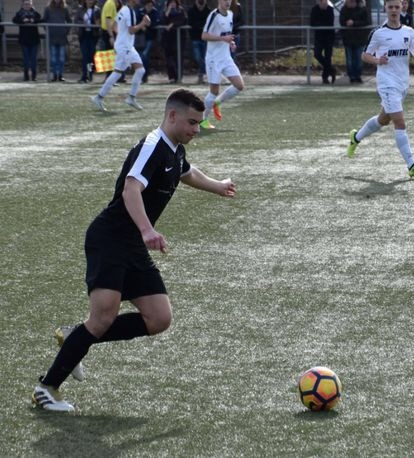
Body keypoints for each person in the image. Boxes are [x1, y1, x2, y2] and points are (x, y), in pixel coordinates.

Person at [31, 88, 237, 413]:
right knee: (103, 318)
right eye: (192, 122)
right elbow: (131, 188)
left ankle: (75, 337)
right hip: (110, 239)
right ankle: (46, 388)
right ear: (172, 116)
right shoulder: (152, 145)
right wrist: (147, 229)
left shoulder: (175, 149)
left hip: (132, 245)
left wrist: (217, 186)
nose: (196, 129)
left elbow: (187, 172)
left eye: (199, 123)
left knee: (159, 318)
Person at [346, 0, 414, 179]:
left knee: (383, 120)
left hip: (402, 84)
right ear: (385, 8)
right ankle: (412, 165)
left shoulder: (409, 32)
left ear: (402, 8)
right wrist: (378, 60)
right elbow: (364, 55)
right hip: (386, 83)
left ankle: (356, 137)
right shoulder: (378, 33)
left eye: (396, 7)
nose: (393, 10)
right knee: (400, 122)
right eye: (390, 7)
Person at [91, 0, 150, 111]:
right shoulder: (129, 11)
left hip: (126, 46)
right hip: (125, 47)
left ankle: (102, 97)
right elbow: (131, 30)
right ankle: (101, 97)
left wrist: (121, 37)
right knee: (125, 72)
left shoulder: (124, 9)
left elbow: (114, 25)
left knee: (129, 71)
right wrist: (143, 23)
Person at [200, 0, 245, 129]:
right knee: (214, 91)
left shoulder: (230, 14)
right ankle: (203, 120)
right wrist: (222, 39)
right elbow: (204, 35)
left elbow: (226, 35)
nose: (228, 2)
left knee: (239, 85)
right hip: (213, 59)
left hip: (226, 57)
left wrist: (231, 43)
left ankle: (217, 102)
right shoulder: (214, 15)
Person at [339, 0, 371, 83]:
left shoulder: (362, 9)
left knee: (359, 60)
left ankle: (357, 75)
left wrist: (354, 23)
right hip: (348, 39)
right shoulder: (344, 10)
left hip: (359, 39)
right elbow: (341, 22)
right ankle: (352, 76)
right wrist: (346, 23)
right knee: (349, 61)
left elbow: (366, 21)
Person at [12, 0, 43, 81]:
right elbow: (14, 20)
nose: (27, 5)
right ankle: (26, 76)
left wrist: (33, 20)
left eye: (29, 4)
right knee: (26, 59)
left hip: (34, 39)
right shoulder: (19, 13)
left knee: (33, 59)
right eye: (26, 4)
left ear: (31, 5)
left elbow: (41, 19)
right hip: (24, 40)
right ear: (23, 5)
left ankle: (34, 76)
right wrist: (22, 20)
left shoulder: (35, 13)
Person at [42, 0, 72, 82]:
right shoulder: (48, 9)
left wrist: (66, 31)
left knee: (61, 58)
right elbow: (44, 21)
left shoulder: (65, 9)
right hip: (52, 37)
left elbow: (69, 20)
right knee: (53, 58)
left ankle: (60, 75)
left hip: (62, 37)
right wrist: (48, 31)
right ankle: (55, 75)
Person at [310, 0, 336, 84]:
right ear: (319, 3)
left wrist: (320, 24)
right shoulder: (314, 9)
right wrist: (321, 25)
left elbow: (330, 23)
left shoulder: (330, 10)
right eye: (324, 4)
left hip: (329, 37)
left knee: (328, 57)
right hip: (319, 37)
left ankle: (325, 77)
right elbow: (312, 23)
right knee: (317, 54)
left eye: (326, 4)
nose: (325, 6)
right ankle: (331, 69)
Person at [161, 0, 187, 83]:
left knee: (178, 58)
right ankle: (171, 77)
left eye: (174, 2)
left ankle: (178, 77)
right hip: (168, 39)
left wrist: (172, 24)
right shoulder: (165, 11)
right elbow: (163, 21)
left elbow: (182, 20)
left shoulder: (181, 11)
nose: (172, 4)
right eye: (171, 3)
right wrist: (167, 12)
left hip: (179, 39)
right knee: (169, 59)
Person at [75, 0, 101, 83]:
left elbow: (99, 22)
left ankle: (90, 74)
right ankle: (84, 76)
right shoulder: (80, 9)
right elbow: (76, 21)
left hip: (93, 35)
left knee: (91, 56)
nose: (90, 1)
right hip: (84, 35)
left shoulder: (97, 10)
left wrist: (96, 22)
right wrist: (83, 23)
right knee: (85, 56)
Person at [135, 0, 160, 83]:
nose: (149, 6)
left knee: (145, 56)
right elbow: (136, 21)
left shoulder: (155, 12)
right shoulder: (140, 12)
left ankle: (144, 76)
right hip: (140, 37)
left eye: (151, 5)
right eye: (148, 4)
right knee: (140, 57)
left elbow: (155, 23)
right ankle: (141, 76)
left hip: (149, 38)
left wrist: (148, 25)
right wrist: (142, 26)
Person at [188, 0, 211, 84]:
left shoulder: (208, 11)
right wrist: (200, 26)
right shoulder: (191, 11)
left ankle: (201, 75)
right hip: (195, 38)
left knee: (205, 58)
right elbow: (191, 23)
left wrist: (199, 26)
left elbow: (208, 24)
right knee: (198, 57)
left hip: (205, 39)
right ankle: (202, 74)